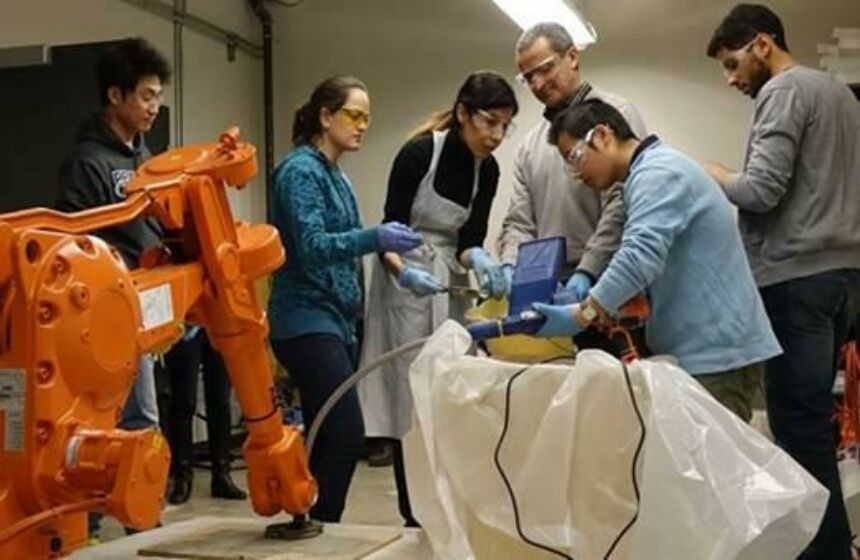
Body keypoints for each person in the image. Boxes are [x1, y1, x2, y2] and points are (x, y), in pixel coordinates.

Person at [702, 5, 860, 558]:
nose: (732, 79)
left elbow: (762, 191)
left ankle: (828, 552)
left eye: (732, 63)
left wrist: (716, 174)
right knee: (813, 424)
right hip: (844, 282)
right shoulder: (840, 95)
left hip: (796, 280)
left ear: (762, 44)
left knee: (799, 433)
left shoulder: (783, 91)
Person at [531, 99, 782, 423]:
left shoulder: (658, 173)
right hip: (705, 353)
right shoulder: (648, 174)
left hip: (716, 358)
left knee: (712, 469)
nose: (577, 174)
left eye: (576, 158)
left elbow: (639, 255)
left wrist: (584, 313)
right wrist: (620, 303)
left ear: (603, 136)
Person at [359, 71, 519, 527]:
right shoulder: (418, 153)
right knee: (410, 400)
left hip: (446, 281)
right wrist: (404, 273)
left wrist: (481, 260)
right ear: (464, 113)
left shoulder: (486, 169)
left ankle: (447, 507)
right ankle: (414, 513)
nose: (496, 135)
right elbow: (387, 233)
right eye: (489, 121)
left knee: (448, 393)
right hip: (403, 280)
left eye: (505, 126)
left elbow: (469, 237)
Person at [267, 75, 422, 522]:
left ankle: (309, 524)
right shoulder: (300, 172)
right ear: (325, 115)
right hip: (304, 318)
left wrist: (401, 270)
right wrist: (375, 236)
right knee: (346, 432)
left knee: (322, 434)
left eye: (367, 118)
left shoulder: (336, 175)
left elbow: (348, 245)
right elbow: (313, 246)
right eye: (354, 115)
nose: (362, 125)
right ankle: (324, 527)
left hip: (336, 320)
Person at [54, 36, 170, 542]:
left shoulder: (147, 158)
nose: (154, 106)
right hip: (104, 316)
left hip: (146, 303)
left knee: (142, 412)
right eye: (145, 95)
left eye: (157, 95)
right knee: (117, 415)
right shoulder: (88, 162)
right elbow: (84, 244)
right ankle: (104, 520)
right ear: (115, 96)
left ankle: (138, 513)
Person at [498, 23, 647, 333]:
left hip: (610, 286)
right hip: (552, 293)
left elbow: (621, 204)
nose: (537, 83)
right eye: (528, 78)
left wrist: (588, 272)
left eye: (544, 69)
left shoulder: (614, 116)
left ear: (572, 57)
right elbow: (519, 221)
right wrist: (512, 266)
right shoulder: (530, 145)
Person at [164, 326, 247, 505]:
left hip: (216, 320)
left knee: (220, 400)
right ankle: (182, 475)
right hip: (185, 321)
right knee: (184, 400)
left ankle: (222, 473)